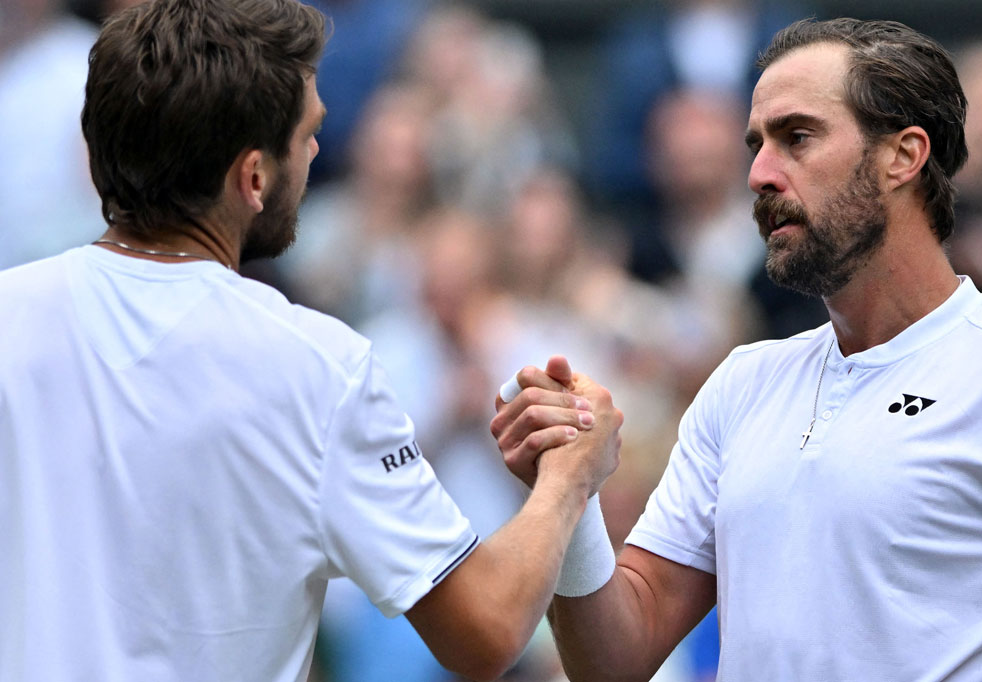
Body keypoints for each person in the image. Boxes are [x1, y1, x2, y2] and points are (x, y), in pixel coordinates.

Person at [0, 1, 623, 681]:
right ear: (254, 177)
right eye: (308, 134)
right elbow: (486, 630)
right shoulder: (323, 367)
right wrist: (568, 476)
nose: (317, 151)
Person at [492, 17, 982, 681]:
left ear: (903, 156)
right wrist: (569, 490)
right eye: (757, 145)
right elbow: (613, 662)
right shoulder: (741, 384)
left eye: (797, 137)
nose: (759, 174)